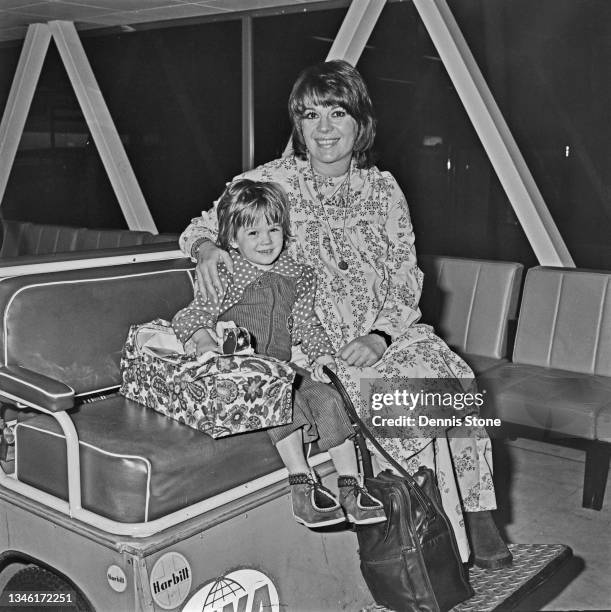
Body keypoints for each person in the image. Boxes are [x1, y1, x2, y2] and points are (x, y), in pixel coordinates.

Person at [179, 60, 512, 569]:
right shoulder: (274, 180)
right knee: (401, 400)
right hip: (317, 343)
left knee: (457, 381)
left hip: (387, 331)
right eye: (311, 116)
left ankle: (477, 509)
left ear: (361, 123)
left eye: (338, 113)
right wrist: (206, 249)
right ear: (299, 125)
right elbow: (201, 225)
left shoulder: (383, 190)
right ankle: (425, 537)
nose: (325, 129)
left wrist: (381, 334)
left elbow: (406, 276)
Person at [172, 178, 386, 529]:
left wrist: (321, 356)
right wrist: (204, 340)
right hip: (243, 368)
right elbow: (191, 315)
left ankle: (351, 486)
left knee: (329, 397)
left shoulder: (298, 275)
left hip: (283, 365)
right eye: (253, 233)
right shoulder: (227, 273)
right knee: (281, 397)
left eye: (273, 229)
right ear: (232, 239)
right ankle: (301, 486)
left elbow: (305, 324)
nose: (266, 241)